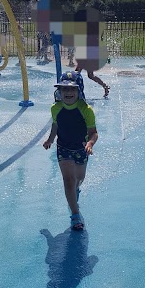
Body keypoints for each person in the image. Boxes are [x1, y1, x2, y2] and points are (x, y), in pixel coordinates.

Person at [43, 71, 98, 231]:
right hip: (64, 148)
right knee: (68, 180)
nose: (68, 92)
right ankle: (75, 215)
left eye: (72, 89)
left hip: (81, 149)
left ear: (79, 91)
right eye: (64, 89)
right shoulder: (55, 108)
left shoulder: (86, 110)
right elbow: (56, 125)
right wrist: (51, 139)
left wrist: (90, 143)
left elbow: (94, 132)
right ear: (59, 91)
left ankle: (75, 190)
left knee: (79, 179)